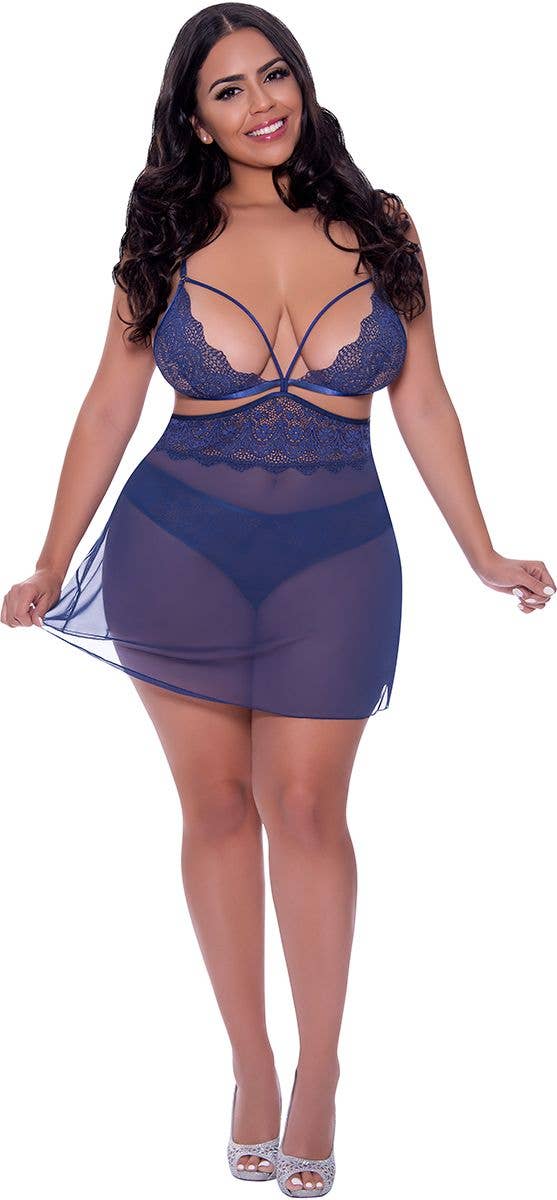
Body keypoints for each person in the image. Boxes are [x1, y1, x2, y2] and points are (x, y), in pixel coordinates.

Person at [2, 5, 554, 1195]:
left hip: (336, 556)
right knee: (214, 811)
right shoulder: (166, 230)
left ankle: (320, 1070)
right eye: (227, 91)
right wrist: (49, 558)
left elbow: (421, 399)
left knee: (304, 809)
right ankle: (249, 1063)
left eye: (273, 75)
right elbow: (109, 404)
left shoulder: (382, 223)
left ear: (300, 82)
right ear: (193, 120)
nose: (261, 103)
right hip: (173, 546)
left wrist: (479, 549)